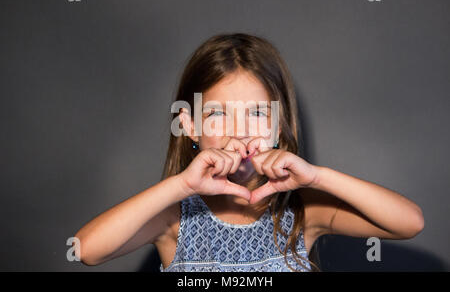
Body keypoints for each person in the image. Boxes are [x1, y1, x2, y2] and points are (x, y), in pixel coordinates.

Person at [73, 33, 424, 272]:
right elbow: (85, 250)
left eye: (257, 114)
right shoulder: (175, 217)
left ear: (280, 124)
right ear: (190, 125)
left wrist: (317, 176)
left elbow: (410, 222)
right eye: (217, 114)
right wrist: (182, 185)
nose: (239, 131)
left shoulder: (304, 211)